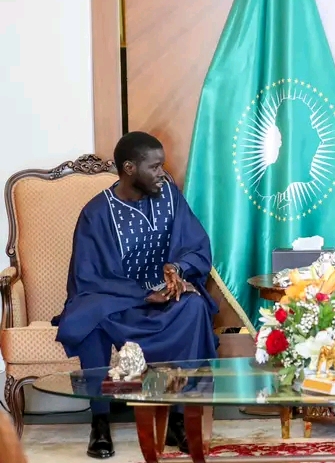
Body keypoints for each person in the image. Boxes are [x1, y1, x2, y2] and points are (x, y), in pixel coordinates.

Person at [51, 131, 219, 459]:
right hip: (116, 298)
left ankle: (178, 418)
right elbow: (89, 276)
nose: (162, 173)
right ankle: (100, 421)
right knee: (90, 316)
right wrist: (142, 295)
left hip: (163, 294)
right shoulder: (97, 212)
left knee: (194, 306)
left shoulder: (169, 195)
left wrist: (178, 269)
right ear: (129, 168)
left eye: (162, 166)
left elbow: (197, 245)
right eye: (154, 167)